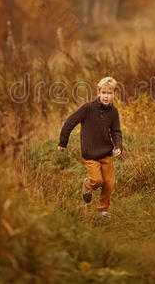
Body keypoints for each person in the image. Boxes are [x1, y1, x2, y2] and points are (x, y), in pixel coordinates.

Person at [58, 77, 123, 219]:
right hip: (90, 153)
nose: (106, 96)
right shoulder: (88, 108)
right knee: (97, 181)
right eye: (104, 92)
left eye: (109, 93)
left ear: (114, 94)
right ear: (99, 92)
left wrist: (118, 146)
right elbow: (70, 122)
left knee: (109, 183)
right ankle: (87, 185)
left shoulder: (114, 112)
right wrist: (63, 142)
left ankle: (103, 211)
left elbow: (116, 131)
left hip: (106, 153)